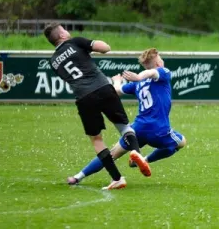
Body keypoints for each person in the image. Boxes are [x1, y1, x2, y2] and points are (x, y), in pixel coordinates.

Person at [43, 22, 151, 190]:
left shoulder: (53, 61)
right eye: (65, 30)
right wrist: (92, 45)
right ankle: (136, 151)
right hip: (103, 88)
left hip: (84, 97)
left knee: (97, 139)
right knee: (124, 127)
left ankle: (117, 178)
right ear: (62, 36)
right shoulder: (76, 42)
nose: (68, 31)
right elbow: (105, 48)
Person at [67, 48, 187, 185]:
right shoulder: (164, 73)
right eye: (161, 59)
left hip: (138, 129)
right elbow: (150, 72)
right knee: (181, 142)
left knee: (111, 154)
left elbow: (117, 91)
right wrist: (139, 76)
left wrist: (117, 81)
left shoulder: (137, 84)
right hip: (158, 129)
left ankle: (78, 176)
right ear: (158, 63)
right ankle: (144, 160)